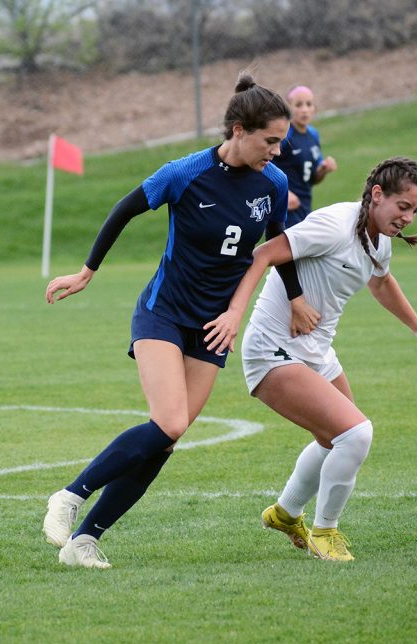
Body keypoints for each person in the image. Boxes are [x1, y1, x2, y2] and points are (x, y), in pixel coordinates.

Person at [41, 72, 314, 569]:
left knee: (166, 441)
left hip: (213, 327)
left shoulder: (273, 183)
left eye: (282, 142)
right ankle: (69, 495)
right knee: (169, 421)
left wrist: (295, 298)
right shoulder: (185, 172)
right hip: (163, 312)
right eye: (270, 141)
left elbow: (277, 246)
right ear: (237, 130)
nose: (276, 152)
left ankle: (83, 542)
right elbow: (125, 208)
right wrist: (87, 272)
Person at [202, 156, 417, 561]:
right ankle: (325, 531)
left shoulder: (379, 238)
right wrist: (247, 313)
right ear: (376, 195)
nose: (407, 217)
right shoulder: (333, 225)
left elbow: (381, 281)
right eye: (403, 206)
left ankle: (285, 513)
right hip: (272, 349)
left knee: (337, 438)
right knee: (356, 434)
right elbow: (263, 254)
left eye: (415, 210)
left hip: (316, 351)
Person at [272, 85, 337, 226]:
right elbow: (264, 165)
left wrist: (323, 169)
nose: (304, 110)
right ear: (288, 109)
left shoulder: (313, 135)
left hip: (305, 205)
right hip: (285, 208)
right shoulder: (284, 136)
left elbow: (313, 178)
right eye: (298, 105)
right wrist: (284, 193)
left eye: (309, 104)